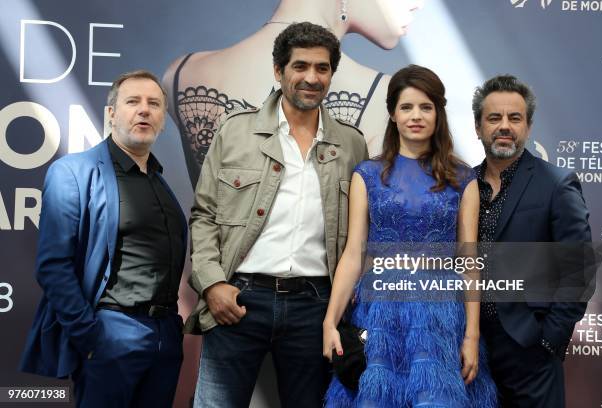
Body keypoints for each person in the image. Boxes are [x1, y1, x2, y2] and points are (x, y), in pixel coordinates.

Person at [187, 22, 368, 408]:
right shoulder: (235, 132)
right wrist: (212, 283)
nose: (311, 77)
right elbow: (203, 215)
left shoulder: (351, 144)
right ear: (278, 71)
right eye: (300, 66)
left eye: (322, 68)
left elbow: (359, 236)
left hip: (315, 307)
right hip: (238, 299)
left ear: (332, 74)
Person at [323, 65, 497, 407]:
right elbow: (353, 255)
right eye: (406, 107)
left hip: (440, 318)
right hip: (379, 316)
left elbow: (469, 262)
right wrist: (330, 321)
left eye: (426, 107)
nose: (416, 116)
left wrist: (472, 336)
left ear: (438, 114)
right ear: (392, 113)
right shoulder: (367, 175)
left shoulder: (463, 179)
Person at [20, 70, 187, 407]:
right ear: (111, 114)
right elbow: (53, 266)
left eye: (154, 104)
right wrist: (91, 336)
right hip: (112, 334)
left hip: (166, 338)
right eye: (133, 102)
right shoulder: (73, 172)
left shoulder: (159, 182)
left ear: (163, 120)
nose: (144, 110)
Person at [163, 0, 426, 187]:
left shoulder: (181, 73)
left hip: (208, 264)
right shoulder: (383, 94)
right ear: (280, 72)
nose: (419, 4)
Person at [472, 75, 593, 407]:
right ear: (478, 126)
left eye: (515, 118)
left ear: (528, 126)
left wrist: (549, 341)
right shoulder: (464, 186)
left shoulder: (555, 183)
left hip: (529, 349)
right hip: (468, 349)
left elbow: (578, 270)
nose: (505, 126)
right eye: (494, 118)